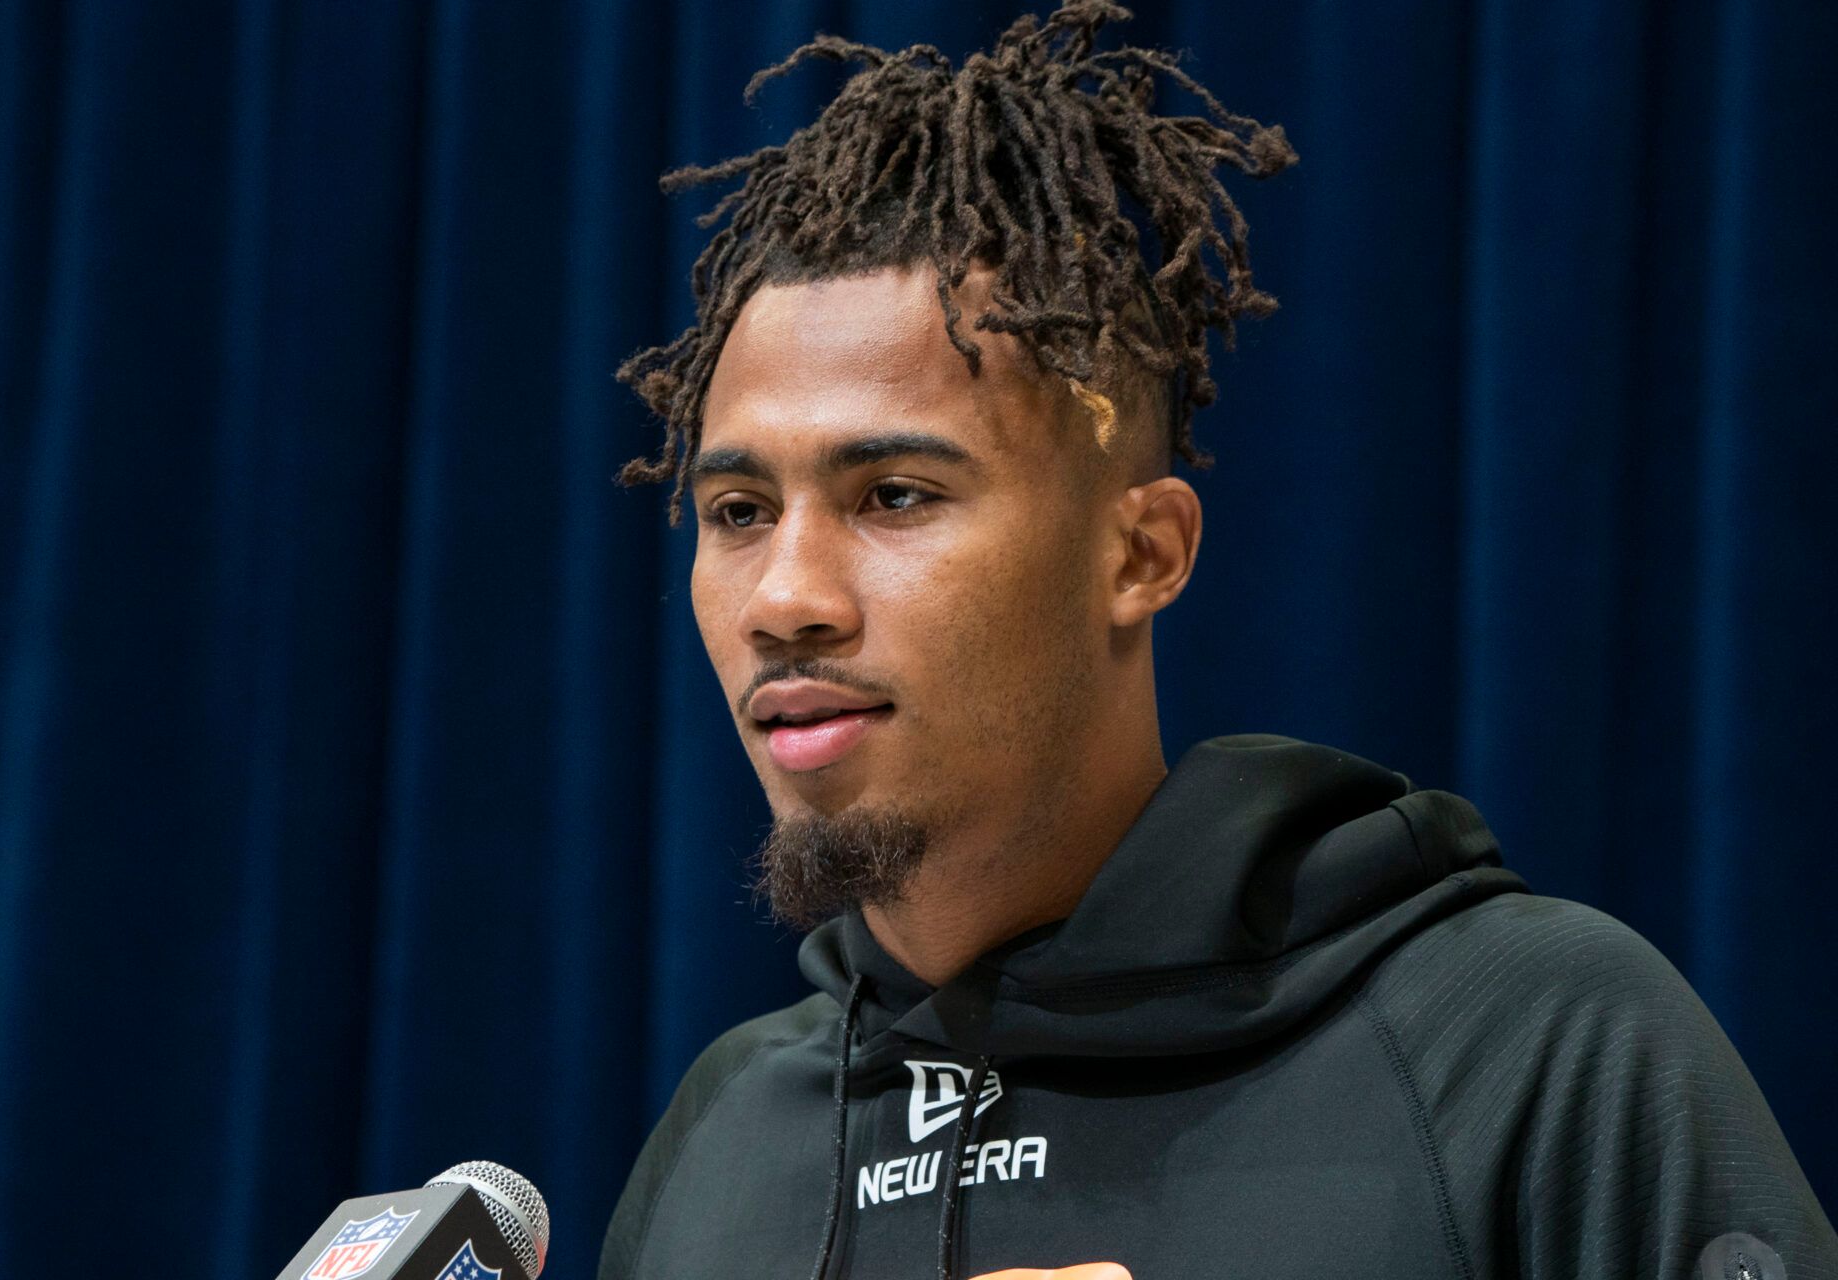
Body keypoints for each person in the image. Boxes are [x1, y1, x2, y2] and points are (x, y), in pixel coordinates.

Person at [595, 4, 1838, 1278]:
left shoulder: (1524, 1038)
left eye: (895, 495)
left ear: (1143, 554)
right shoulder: (722, 1135)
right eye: (737, 512)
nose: (783, 596)